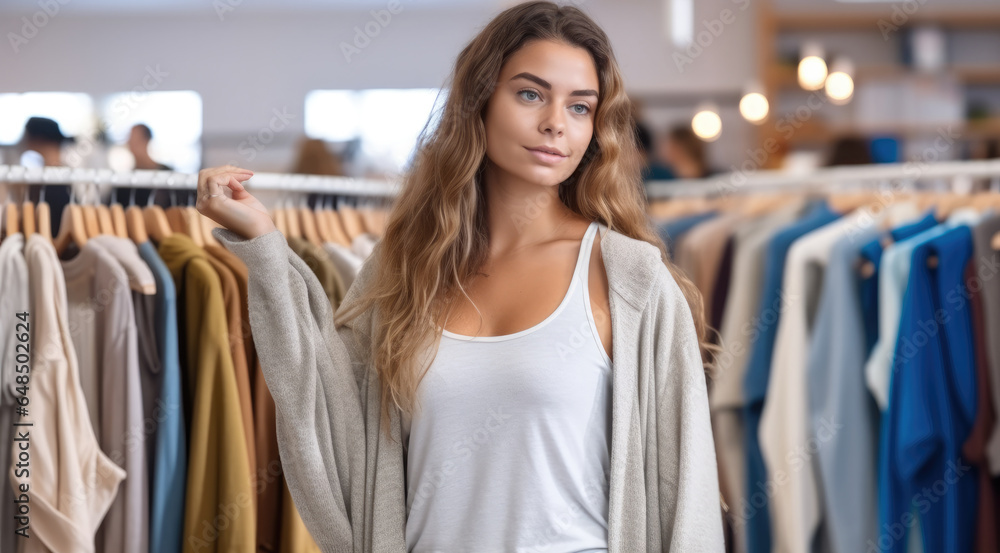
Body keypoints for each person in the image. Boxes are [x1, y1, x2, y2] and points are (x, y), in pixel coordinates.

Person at [197, 2, 724, 551]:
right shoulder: (407, 269)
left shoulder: (628, 280)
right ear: (479, 101)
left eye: (580, 107)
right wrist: (264, 248)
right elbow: (331, 426)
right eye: (529, 93)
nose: (554, 123)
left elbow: (685, 494)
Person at [20, 116, 73, 237]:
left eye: (26, 136)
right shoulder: (62, 175)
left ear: (38, 139)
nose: (23, 141)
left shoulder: (54, 181)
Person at [114, 123, 175, 207]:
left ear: (147, 140)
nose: (129, 142)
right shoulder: (125, 181)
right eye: (130, 138)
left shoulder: (168, 174)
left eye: (135, 139)